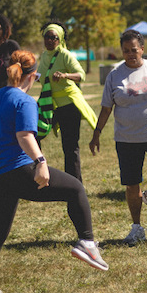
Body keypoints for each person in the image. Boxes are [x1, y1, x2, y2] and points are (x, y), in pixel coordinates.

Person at [0, 50, 108, 293]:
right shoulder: (25, 102)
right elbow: (25, 137)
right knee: (75, 189)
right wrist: (41, 162)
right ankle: (87, 242)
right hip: (18, 171)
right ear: (32, 76)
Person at [89, 30, 147, 246]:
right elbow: (106, 108)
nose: (130, 54)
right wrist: (96, 133)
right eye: (126, 51)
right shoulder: (114, 75)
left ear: (142, 49)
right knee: (131, 185)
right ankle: (137, 228)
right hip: (126, 137)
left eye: (134, 50)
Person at [37, 21, 97, 182]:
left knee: (70, 147)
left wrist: (65, 76)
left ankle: (74, 183)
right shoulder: (43, 56)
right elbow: (41, 76)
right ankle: (36, 174)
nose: (49, 40)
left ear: (60, 39)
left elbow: (81, 75)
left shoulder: (65, 55)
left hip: (69, 106)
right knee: (32, 135)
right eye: (46, 37)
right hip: (49, 105)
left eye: (53, 37)